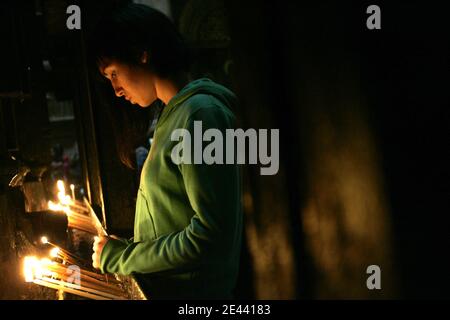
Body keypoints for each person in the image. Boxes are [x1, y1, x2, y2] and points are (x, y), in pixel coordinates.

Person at [89, 4, 242, 299]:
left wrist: (123, 258)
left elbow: (211, 237)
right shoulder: (173, 117)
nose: (116, 89)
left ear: (141, 52)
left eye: (114, 73)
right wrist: (128, 247)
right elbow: (172, 221)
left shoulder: (201, 116)